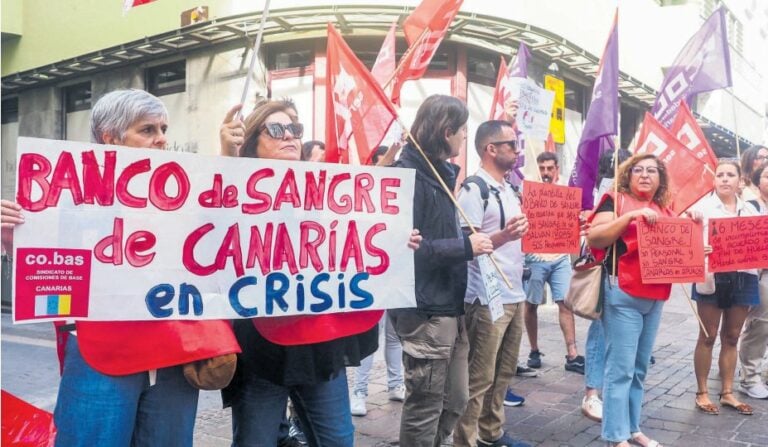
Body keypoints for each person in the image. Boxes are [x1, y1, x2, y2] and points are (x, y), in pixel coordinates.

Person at [1, 89, 243, 447]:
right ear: (110, 137)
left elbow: (226, 225)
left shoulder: (184, 190)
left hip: (175, 351)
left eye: (163, 128)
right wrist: (11, 237)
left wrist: (229, 156)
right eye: (147, 130)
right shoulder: (69, 196)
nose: (161, 138)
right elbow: (48, 272)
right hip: (101, 352)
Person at [220, 99, 421, 447]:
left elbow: (357, 238)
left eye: (295, 129)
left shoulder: (327, 190)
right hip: (259, 351)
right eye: (277, 129)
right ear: (252, 141)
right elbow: (211, 227)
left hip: (319, 346)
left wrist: (394, 242)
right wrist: (227, 157)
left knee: (338, 440)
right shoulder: (232, 189)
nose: (290, 137)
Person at [389, 94, 493, 447]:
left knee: (456, 400)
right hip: (425, 308)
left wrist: (473, 239)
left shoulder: (440, 174)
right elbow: (407, 251)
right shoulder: (407, 176)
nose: (465, 139)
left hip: (450, 304)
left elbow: (435, 235)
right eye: (463, 132)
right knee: (425, 403)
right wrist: (465, 247)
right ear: (447, 131)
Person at [587, 153, 700, 447]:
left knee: (639, 368)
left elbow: (680, 250)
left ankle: (632, 428)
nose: (646, 175)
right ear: (628, 174)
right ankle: (615, 435)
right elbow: (595, 238)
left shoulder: (665, 208)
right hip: (623, 292)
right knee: (620, 368)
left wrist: (697, 237)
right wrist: (628, 218)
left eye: (652, 170)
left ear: (661, 177)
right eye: (639, 169)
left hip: (655, 296)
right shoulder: (615, 200)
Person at [454, 120, 530, 447]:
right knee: (479, 377)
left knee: (503, 373)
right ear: (491, 149)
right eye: (511, 144)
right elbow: (464, 243)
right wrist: (503, 235)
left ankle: (491, 432)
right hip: (485, 297)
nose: (517, 150)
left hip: (513, 293)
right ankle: (465, 440)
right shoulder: (474, 189)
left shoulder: (509, 188)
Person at [692, 160, 761, 415]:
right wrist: (701, 248)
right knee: (707, 336)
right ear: (714, 180)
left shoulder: (751, 212)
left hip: (743, 276)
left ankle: (728, 392)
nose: (724, 179)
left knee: (732, 336)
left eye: (730, 174)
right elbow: (687, 243)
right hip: (711, 277)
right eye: (719, 175)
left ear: (740, 180)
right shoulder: (700, 209)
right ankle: (702, 392)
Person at [581, 148, 631, 423]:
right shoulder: (607, 196)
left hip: (631, 279)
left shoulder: (633, 198)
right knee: (600, 332)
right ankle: (592, 393)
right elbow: (596, 235)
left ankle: (610, 394)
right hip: (609, 273)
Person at [523, 152, 583, 374]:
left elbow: (573, 221)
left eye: (549, 168)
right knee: (531, 305)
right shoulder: (527, 193)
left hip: (559, 258)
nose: (546, 172)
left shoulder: (565, 195)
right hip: (535, 258)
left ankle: (573, 353)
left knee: (565, 303)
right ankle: (534, 350)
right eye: (542, 168)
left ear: (556, 169)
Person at [739, 161, 768, 398]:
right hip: (762, 273)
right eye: (767, 176)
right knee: (760, 324)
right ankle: (750, 377)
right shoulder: (750, 207)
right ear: (757, 181)